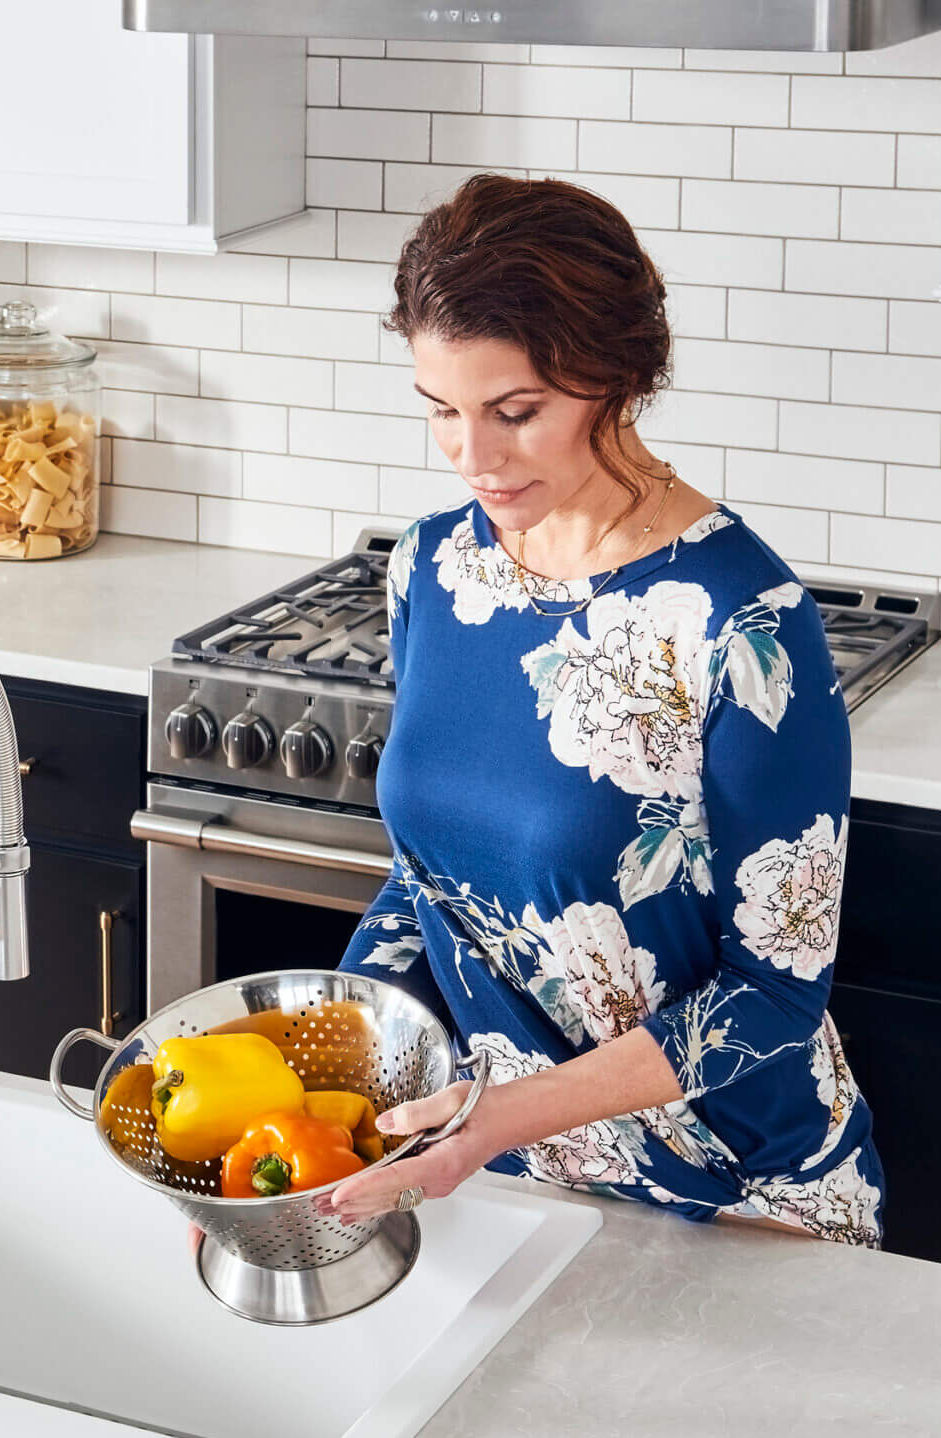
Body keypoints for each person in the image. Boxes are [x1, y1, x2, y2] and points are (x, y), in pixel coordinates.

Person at [318, 174, 880, 1245]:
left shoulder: (745, 623)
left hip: (740, 1195)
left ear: (613, 378)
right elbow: (425, 888)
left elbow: (773, 997)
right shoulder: (432, 567)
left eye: (514, 413)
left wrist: (499, 1119)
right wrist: (319, 1094)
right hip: (514, 1173)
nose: (472, 457)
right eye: (441, 410)